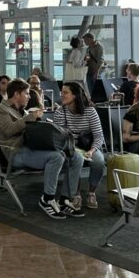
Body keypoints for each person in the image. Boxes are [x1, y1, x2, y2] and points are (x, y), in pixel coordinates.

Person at [0, 78, 84, 219]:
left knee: (77, 157)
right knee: (56, 157)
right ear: (16, 94)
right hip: (15, 153)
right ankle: (47, 199)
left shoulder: (21, 111)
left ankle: (65, 199)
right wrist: (30, 117)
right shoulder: (1, 110)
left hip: (31, 148)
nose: (29, 96)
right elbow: (8, 130)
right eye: (27, 93)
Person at [51, 81, 105, 209]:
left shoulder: (90, 111)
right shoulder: (60, 112)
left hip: (88, 145)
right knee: (75, 159)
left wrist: (92, 150)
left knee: (98, 161)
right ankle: (76, 193)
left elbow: (99, 136)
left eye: (65, 93)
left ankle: (91, 192)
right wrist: (71, 148)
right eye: (61, 92)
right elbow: (58, 137)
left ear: (75, 95)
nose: (62, 95)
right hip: (70, 146)